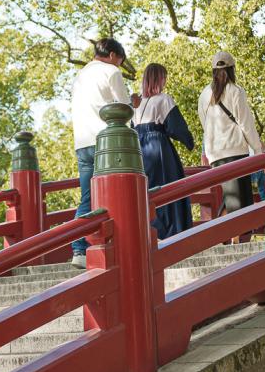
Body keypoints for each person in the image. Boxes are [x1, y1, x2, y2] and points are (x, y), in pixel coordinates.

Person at [70, 38, 133, 260]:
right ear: (115, 55)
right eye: (120, 60)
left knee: (87, 197)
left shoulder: (80, 76)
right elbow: (125, 106)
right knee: (118, 194)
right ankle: (112, 244)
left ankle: (80, 250)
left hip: (82, 142)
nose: (119, 65)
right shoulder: (111, 72)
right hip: (107, 141)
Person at [197, 52, 265, 215]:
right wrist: (257, 149)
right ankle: (231, 237)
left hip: (215, 153)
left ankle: (230, 238)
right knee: (240, 202)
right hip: (235, 150)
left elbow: (204, 123)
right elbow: (245, 123)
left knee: (230, 198)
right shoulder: (235, 91)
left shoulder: (204, 94)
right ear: (232, 69)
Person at [132, 63, 194, 239]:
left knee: (148, 191)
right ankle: (172, 231)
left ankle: (152, 230)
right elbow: (175, 127)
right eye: (164, 77)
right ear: (159, 79)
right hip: (158, 148)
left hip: (140, 151)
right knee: (169, 186)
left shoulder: (136, 104)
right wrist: (188, 141)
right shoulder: (164, 99)